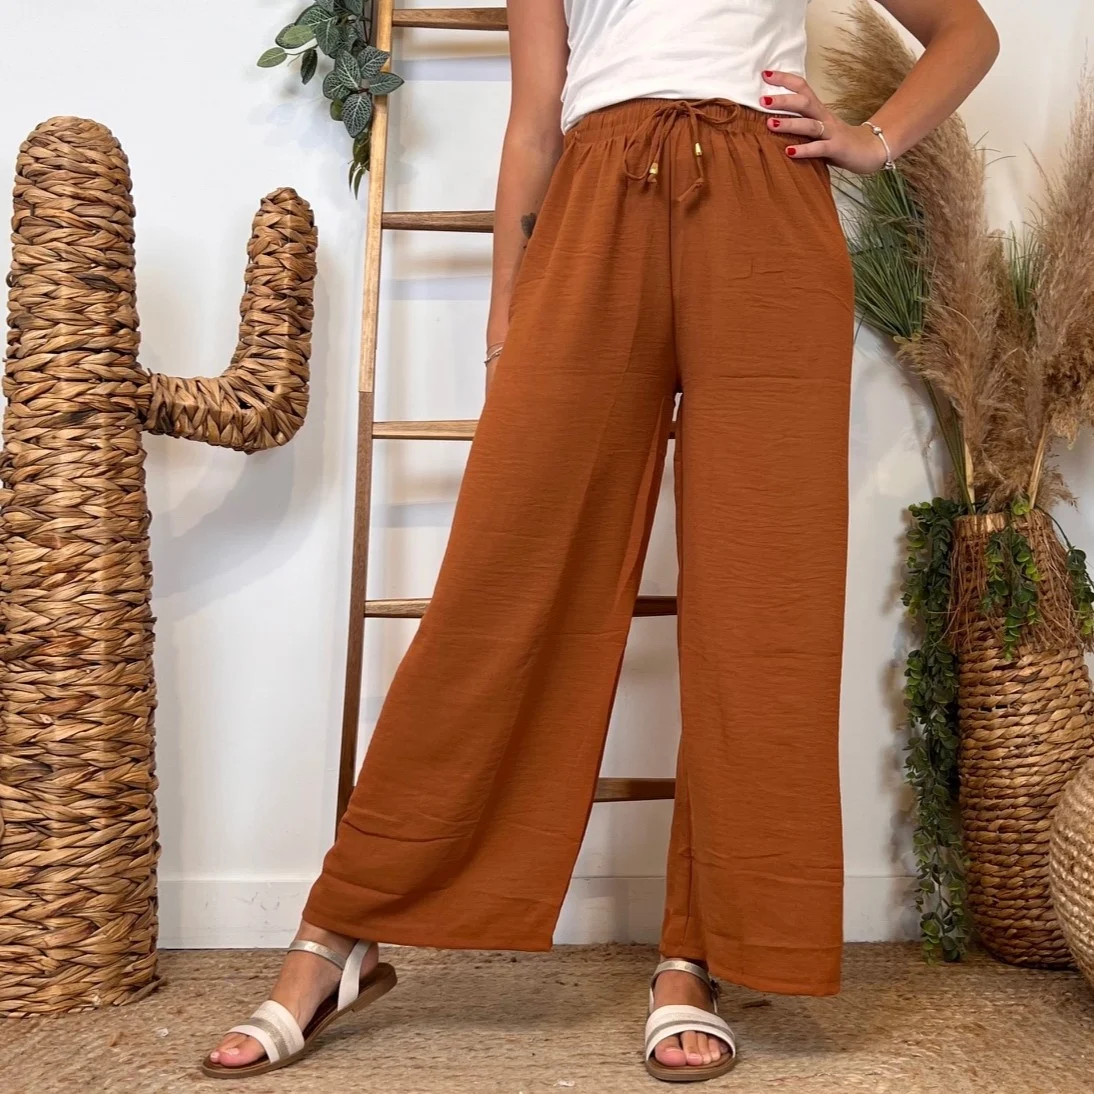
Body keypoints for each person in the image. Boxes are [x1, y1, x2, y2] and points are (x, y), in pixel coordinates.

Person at [203, 0, 999, 1081]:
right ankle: (344, 927)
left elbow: (966, 30)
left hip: (768, 210)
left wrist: (872, 138)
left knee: (761, 598)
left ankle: (694, 955)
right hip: (593, 205)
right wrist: (505, 306)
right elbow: (534, 118)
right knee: (502, 573)